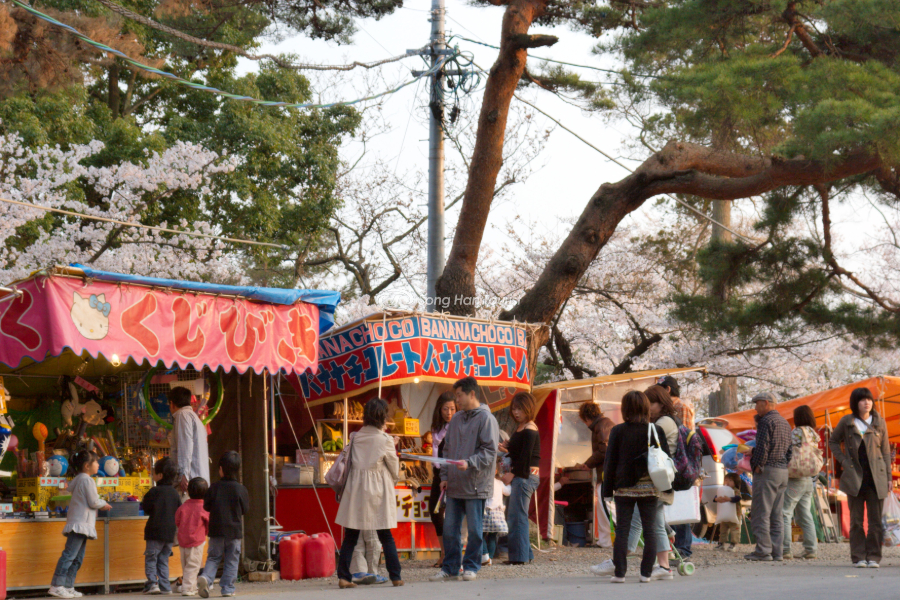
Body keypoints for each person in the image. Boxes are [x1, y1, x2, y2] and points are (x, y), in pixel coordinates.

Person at [430, 377, 500, 583]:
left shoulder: (487, 419)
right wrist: (444, 476)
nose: (456, 400)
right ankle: (450, 567)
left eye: (459, 395)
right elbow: (447, 450)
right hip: (454, 484)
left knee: (475, 530)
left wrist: (469, 462)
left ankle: (471, 566)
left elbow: (490, 452)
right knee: (450, 529)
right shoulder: (457, 419)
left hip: (476, 484)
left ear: (472, 394)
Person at [602, 390, 671, 583]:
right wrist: (667, 488)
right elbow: (666, 459)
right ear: (646, 407)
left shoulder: (618, 431)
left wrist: (607, 491)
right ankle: (646, 573)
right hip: (650, 488)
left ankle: (620, 573)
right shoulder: (655, 430)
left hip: (624, 488)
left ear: (625, 409)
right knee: (650, 530)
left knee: (622, 529)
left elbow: (610, 463)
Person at [335, 398, 404, 589]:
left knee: (351, 535)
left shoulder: (355, 437)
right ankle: (396, 576)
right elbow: (394, 469)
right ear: (383, 417)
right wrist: (394, 446)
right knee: (385, 534)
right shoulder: (386, 440)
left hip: (356, 489)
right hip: (378, 491)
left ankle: (343, 577)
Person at [828, 387, 891, 568]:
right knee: (856, 521)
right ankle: (859, 557)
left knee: (875, 521)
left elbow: (886, 452)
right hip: (854, 476)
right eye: (863, 400)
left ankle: (873, 557)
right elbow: (832, 441)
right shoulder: (847, 421)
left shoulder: (879, 422)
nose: (867, 403)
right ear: (855, 403)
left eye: (869, 399)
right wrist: (843, 460)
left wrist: (888, 476)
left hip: (876, 477)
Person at [48, 450, 112, 599]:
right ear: (86, 466)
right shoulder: (87, 480)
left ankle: (68, 586)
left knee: (76, 558)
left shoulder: (80, 479)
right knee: (70, 556)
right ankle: (57, 585)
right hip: (80, 524)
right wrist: (104, 504)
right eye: (95, 461)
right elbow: (94, 501)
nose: (98, 464)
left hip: (82, 524)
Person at [745, 391, 792, 562]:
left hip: (767, 470)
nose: (755, 408)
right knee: (776, 514)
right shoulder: (785, 422)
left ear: (765, 403)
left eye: (756, 404)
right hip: (782, 471)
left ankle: (763, 551)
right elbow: (790, 451)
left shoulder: (765, 421)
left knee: (761, 512)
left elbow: (763, 446)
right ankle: (777, 552)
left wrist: (757, 463)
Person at [197, 452, 249, 598]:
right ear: (237, 470)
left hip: (216, 530)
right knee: (232, 560)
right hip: (234, 532)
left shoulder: (214, 488)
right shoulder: (241, 489)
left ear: (220, 469)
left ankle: (206, 578)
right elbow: (245, 509)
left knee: (213, 557)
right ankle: (227, 589)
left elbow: (206, 506)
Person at [498, 392, 540, 565]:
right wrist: (507, 447)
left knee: (517, 518)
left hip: (525, 476)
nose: (516, 412)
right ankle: (525, 554)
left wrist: (512, 473)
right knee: (517, 516)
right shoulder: (523, 427)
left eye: (520, 409)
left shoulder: (529, 428)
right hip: (523, 475)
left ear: (528, 408)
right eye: (514, 409)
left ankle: (518, 557)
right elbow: (519, 452)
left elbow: (525, 456)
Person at [657, 375, 694, 558]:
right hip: (671, 463)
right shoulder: (670, 409)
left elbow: (685, 437)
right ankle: (673, 547)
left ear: (668, 389)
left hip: (679, 463)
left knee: (680, 508)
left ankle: (684, 548)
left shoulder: (680, 407)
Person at [782, 405, 820, 560]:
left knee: (785, 512)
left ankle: (785, 549)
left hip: (795, 478)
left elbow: (787, 449)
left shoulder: (797, 432)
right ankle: (811, 549)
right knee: (805, 514)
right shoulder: (813, 433)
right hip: (808, 479)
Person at [575, 401, 614, 549]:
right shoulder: (604, 424)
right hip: (607, 472)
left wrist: (589, 463)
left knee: (605, 507)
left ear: (586, 417)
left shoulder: (601, 426)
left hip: (607, 473)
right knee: (604, 507)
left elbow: (604, 450)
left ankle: (607, 541)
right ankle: (605, 541)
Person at [141, 457, 182, 595]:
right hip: (169, 533)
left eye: (154, 472)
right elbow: (179, 511)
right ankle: (165, 587)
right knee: (163, 560)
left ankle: (152, 584)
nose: (153, 475)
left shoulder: (153, 492)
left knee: (151, 558)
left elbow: (145, 507)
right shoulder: (175, 494)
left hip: (154, 531)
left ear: (160, 475)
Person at [428, 392, 456, 568]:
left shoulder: (456, 427)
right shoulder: (436, 428)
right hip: (437, 474)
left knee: (449, 514)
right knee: (435, 512)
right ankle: (445, 552)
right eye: (445, 408)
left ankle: (449, 555)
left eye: (453, 408)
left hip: (451, 475)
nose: (449, 412)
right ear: (439, 409)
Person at [169, 387, 210, 496]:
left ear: (172, 404)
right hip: (199, 483)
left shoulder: (182, 415)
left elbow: (185, 447)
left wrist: (183, 475)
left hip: (189, 485)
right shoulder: (194, 417)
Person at [176, 478, 210, 596]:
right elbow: (208, 523)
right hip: (197, 540)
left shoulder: (183, 506)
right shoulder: (204, 507)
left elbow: (177, 520)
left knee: (186, 564)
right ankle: (188, 588)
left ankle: (191, 585)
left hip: (182, 540)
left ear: (189, 492)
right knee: (193, 565)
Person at [481, 462, 511, 566]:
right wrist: (509, 483)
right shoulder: (499, 483)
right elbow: (508, 492)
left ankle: (485, 556)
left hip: (486, 511)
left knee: (480, 535)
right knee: (492, 537)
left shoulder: (482, 482)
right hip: (497, 513)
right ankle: (490, 558)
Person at [715, 472, 746, 552]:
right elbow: (716, 496)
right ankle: (721, 543)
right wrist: (716, 499)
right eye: (726, 480)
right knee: (723, 530)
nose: (727, 482)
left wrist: (730, 499)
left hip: (735, 514)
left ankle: (733, 544)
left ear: (735, 482)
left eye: (730, 480)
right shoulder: (722, 489)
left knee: (735, 530)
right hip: (724, 514)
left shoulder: (736, 491)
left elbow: (738, 498)